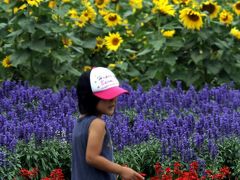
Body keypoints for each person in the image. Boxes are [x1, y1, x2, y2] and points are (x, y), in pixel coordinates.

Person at [71, 67, 144, 180]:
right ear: (90, 98)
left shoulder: (79, 123)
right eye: (107, 96)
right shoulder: (97, 124)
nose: (113, 100)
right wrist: (121, 170)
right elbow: (92, 157)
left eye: (114, 95)